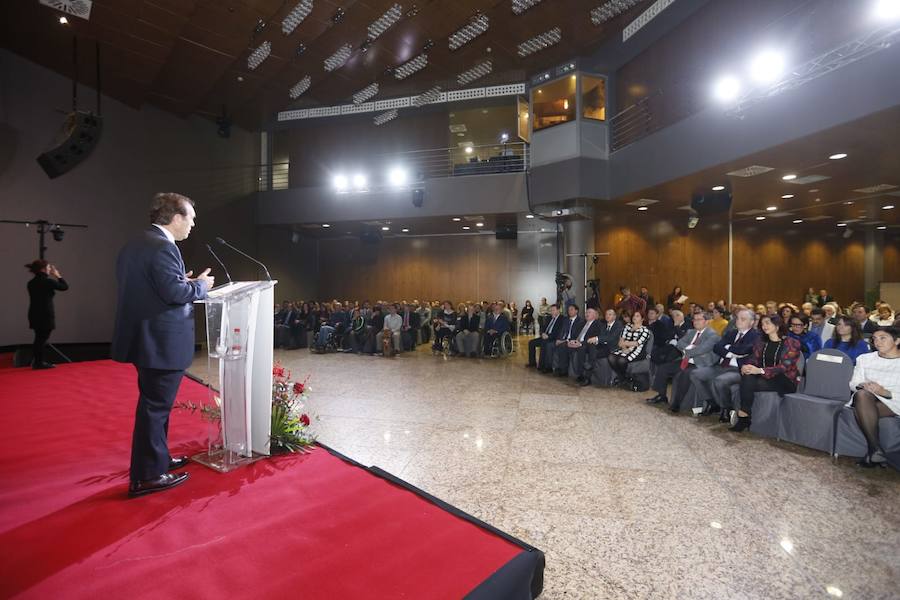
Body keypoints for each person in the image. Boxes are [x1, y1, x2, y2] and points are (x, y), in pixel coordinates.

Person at [112, 192, 214, 497]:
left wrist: (182, 282)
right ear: (176, 217)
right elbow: (174, 294)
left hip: (144, 339)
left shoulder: (137, 243)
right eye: (191, 218)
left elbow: (151, 288)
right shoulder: (163, 247)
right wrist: (200, 286)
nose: (193, 225)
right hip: (160, 341)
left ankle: (158, 458)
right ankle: (148, 476)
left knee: (155, 405)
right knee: (155, 408)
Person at [730, 316, 802, 432]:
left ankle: (743, 417)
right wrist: (747, 366)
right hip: (763, 376)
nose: (764, 326)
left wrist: (760, 370)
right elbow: (754, 359)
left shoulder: (792, 343)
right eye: (763, 324)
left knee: (748, 382)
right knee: (748, 376)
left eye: (767, 323)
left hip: (784, 379)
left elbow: (785, 366)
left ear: (777, 325)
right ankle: (744, 415)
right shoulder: (761, 341)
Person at [690, 308, 760, 421]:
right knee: (695, 374)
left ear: (751, 322)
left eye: (743, 319)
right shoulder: (732, 333)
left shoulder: (756, 335)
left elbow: (744, 350)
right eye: (737, 318)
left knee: (720, 381)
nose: (738, 321)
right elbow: (717, 347)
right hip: (721, 366)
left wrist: (728, 347)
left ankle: (726, 408)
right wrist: (730, 354)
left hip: (738, 369)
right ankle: (712, 402)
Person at [645, 311, 720, 411]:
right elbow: (680, 343)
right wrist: (691, 348)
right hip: (687, 360)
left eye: (699, 319)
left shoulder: (713, 335)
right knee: (663, 368)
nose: (695, 322)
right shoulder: (691, 332)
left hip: (701, 363)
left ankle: (677, 403)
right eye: (694, 319)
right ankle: (661, 395)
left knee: (684, 374)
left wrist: (687, 350)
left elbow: (702, 349)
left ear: (706, 322)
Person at [849, 327, 900, 467]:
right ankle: (876, 450)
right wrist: (863, 385)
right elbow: (853, 383)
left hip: (895, 400)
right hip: (866, 397)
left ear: (897, 341)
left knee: (861, 408)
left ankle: (874, 451)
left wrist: (884, 392)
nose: (877, 342)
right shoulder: (865, 359)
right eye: (874, 338)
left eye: (883, 338)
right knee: (862, 395)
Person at [24, 259, 69, 369]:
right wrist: (58, 275)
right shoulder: (48, 282)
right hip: (45, 314)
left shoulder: (31, 283)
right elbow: (64, 287)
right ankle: (39, 363)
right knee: (42, 339)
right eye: (48, 268)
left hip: (34, 313)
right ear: (43, 269)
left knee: (39, 338)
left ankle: (37, 362)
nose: (50, 270)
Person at [608, 311, 651, 390]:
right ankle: (624, 377)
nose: (634, 317)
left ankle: (623, 378)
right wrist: (624, 348)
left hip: (638, 351)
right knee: (611, 357)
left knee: (621, 360)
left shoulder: (645, 330)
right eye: (634, 315)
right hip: (624, 349)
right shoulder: (627, 326)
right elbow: (620, 342)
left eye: (637, 316)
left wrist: (625, 343)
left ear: (642, 319)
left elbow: (637, 343)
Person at [570, 307, 605, 386]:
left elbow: (594, 338)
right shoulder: (581, 323)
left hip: (589, 345)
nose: (587, 314)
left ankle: (585, 376)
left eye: (589, 312)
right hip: (578, 343)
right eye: (586, 312)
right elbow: (575, 334)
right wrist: (572, 341)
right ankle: (563, 370)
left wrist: (581, 343)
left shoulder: (598, 324)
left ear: (594, 315)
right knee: (565, 346)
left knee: (581, 349)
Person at [528, 303, 562, 372]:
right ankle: (532, 362)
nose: (552, 312)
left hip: (553, 338)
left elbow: (559, 332)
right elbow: (543, 328)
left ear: (558, 310)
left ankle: (543, 365)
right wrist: (542, 333)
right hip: (544, 336)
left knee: (544, 343)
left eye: (553, 310)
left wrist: (548, 336)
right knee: (531, 343)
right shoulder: (549, 318)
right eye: (551, 310)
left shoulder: (562, 319)